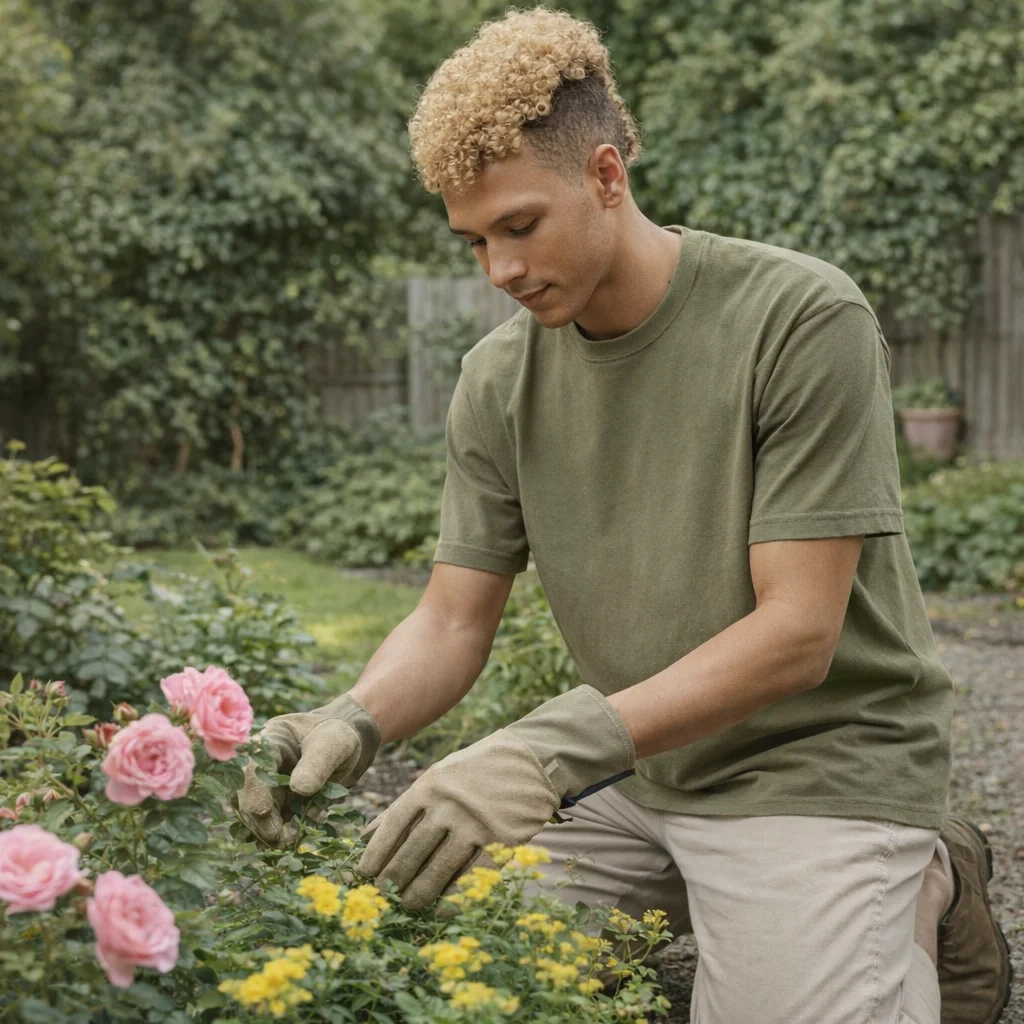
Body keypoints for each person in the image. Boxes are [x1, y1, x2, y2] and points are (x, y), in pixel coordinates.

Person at [237, 8, 1012, 1023]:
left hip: (820, 762)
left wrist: (542, 748)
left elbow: (796, 635)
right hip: (640, 769)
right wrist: (351, 717)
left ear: (606, 177)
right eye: (473, 241)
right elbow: (452, 618)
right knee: (417, 950)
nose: (499, 271)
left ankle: (916, 867)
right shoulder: (495, 381)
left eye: (519, 225)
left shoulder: (797, 319)